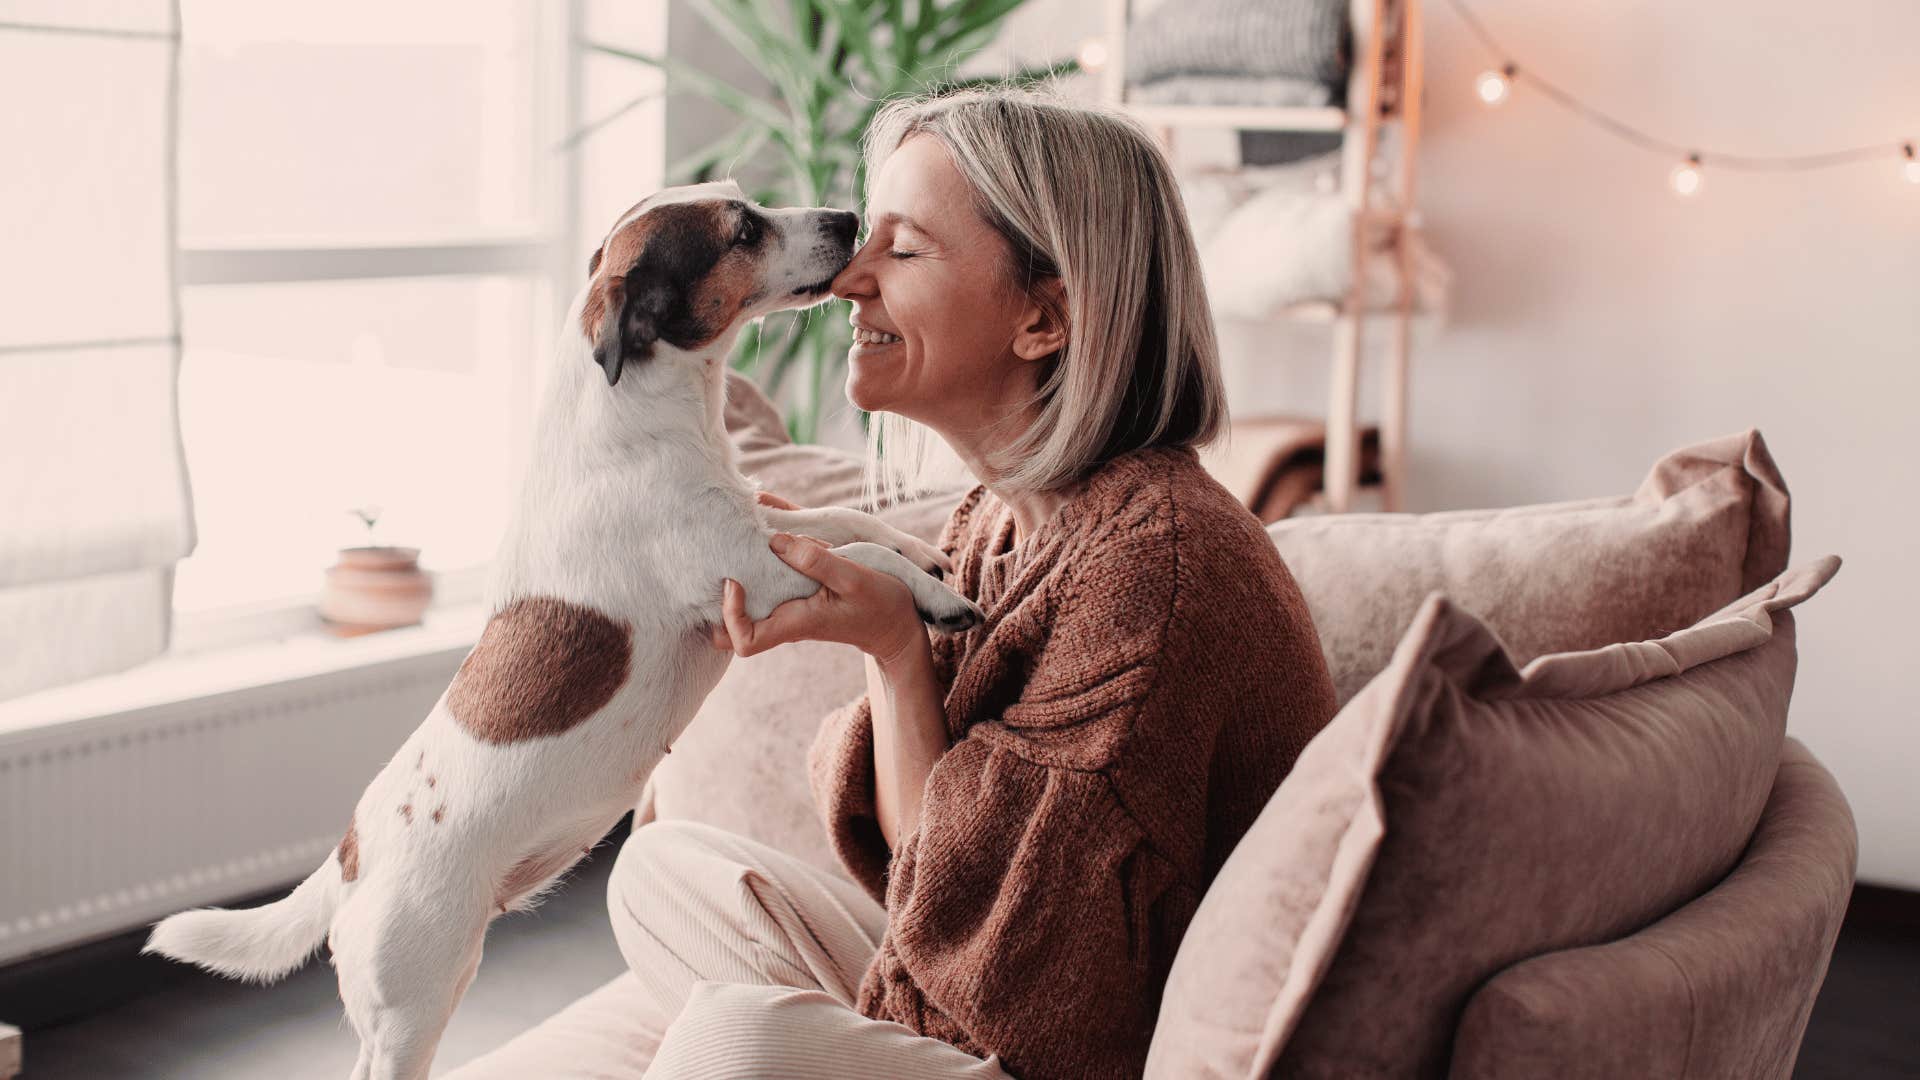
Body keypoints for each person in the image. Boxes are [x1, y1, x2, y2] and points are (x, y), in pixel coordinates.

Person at [608, 86, 1337, 1080]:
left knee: (740, 1040)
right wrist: (891, 647)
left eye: (901, 250)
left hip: (1068, 1044)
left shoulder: (1155, 577)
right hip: (983, 976)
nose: (850, 279)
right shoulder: (1004, 514)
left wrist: (899, 650)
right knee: (659, 869)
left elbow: (1027, 1001)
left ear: (1044, 318)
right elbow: (942, 872)